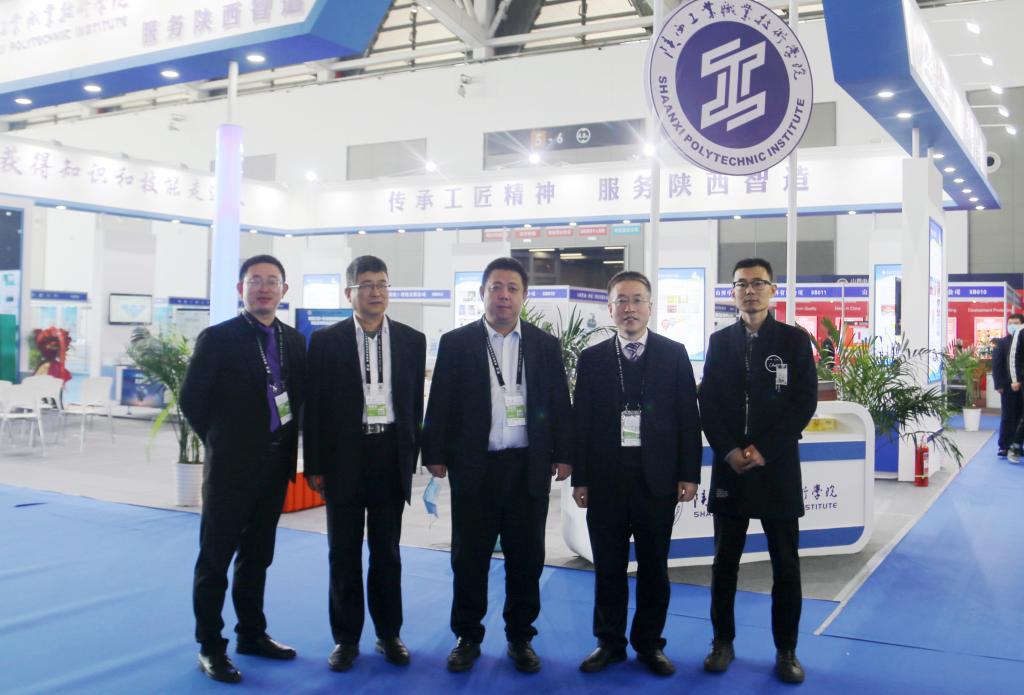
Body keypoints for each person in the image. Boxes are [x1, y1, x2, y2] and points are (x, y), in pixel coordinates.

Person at [422, 257, 572, 674]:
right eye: (496, 287)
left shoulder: (544, 344)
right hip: (475, 467)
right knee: (469, 557)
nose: (503, 296)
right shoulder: (457, 343)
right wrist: (433, 453)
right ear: (482, 293)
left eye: (512, 288)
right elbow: (440, 402)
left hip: (527, 467)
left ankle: (520, 637)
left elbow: (558, 403)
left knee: (527, 558)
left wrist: (564, 453)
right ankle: (467, 636)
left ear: (524, 295)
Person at [180, 255, 306, 684]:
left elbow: (298, 399)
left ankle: (252, 634)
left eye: (272, 281)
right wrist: (223, 441)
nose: (264, 288)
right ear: (241, 289)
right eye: (256, 280)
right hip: (231, 469)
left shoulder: (294, 341)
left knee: (257, 557)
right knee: (215, 560)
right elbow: (192, 399)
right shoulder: (218, 338)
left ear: (284, 291)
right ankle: (210, 646)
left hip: (275, 466)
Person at [571, 271, 702, 677]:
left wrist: (689, 473)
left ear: (650, 306)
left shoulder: (673, 354)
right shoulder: (592, 359)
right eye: (622, 301)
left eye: (637, 300)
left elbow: (688, 418)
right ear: (610, 308)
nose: (630, 308)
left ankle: (649, 644)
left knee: (654, 569)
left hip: (656, 482)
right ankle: (609, 643)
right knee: (608, 568)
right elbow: (582, 422)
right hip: (606, 483)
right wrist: (581, 478)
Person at [698, 258, 817, 685]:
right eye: (741, 284)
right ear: (732, 292)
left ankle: (787, 650)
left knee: (785, 564)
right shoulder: (720, 342)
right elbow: (708, 402)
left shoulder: (794, 340)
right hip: (731, 468)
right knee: (724, 563)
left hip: (777, 467)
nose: (749, 291)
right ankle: (722, 642)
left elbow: (804, 402)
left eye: (758, 283)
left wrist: (765, 449)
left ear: (772, 290)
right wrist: (729, 450)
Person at [304, 256, 426, 671]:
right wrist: (315, 463)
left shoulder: (411, 340)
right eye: (367, 285)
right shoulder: (326, 341)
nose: (376, 292)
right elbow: (314, 408)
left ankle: (389, 634)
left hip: (390, 453)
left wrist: (413, 454)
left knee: (387, 552)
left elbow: (413, 404)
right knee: (343, 552)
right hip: (344, 456)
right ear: (349, 293)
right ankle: (346, 639)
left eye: (382, 284)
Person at [991, 313, 1023, 458]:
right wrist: (998, 384)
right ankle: (1004, 446)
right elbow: (996, 365)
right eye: (1010, 323)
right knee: (1008, 416)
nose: (1012, 326)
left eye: (1016, 323)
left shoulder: (1021, 341)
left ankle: (1017, 445)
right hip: (1007, 386)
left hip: (1021, 385)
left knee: (1020, 417)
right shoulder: (1001, 343)